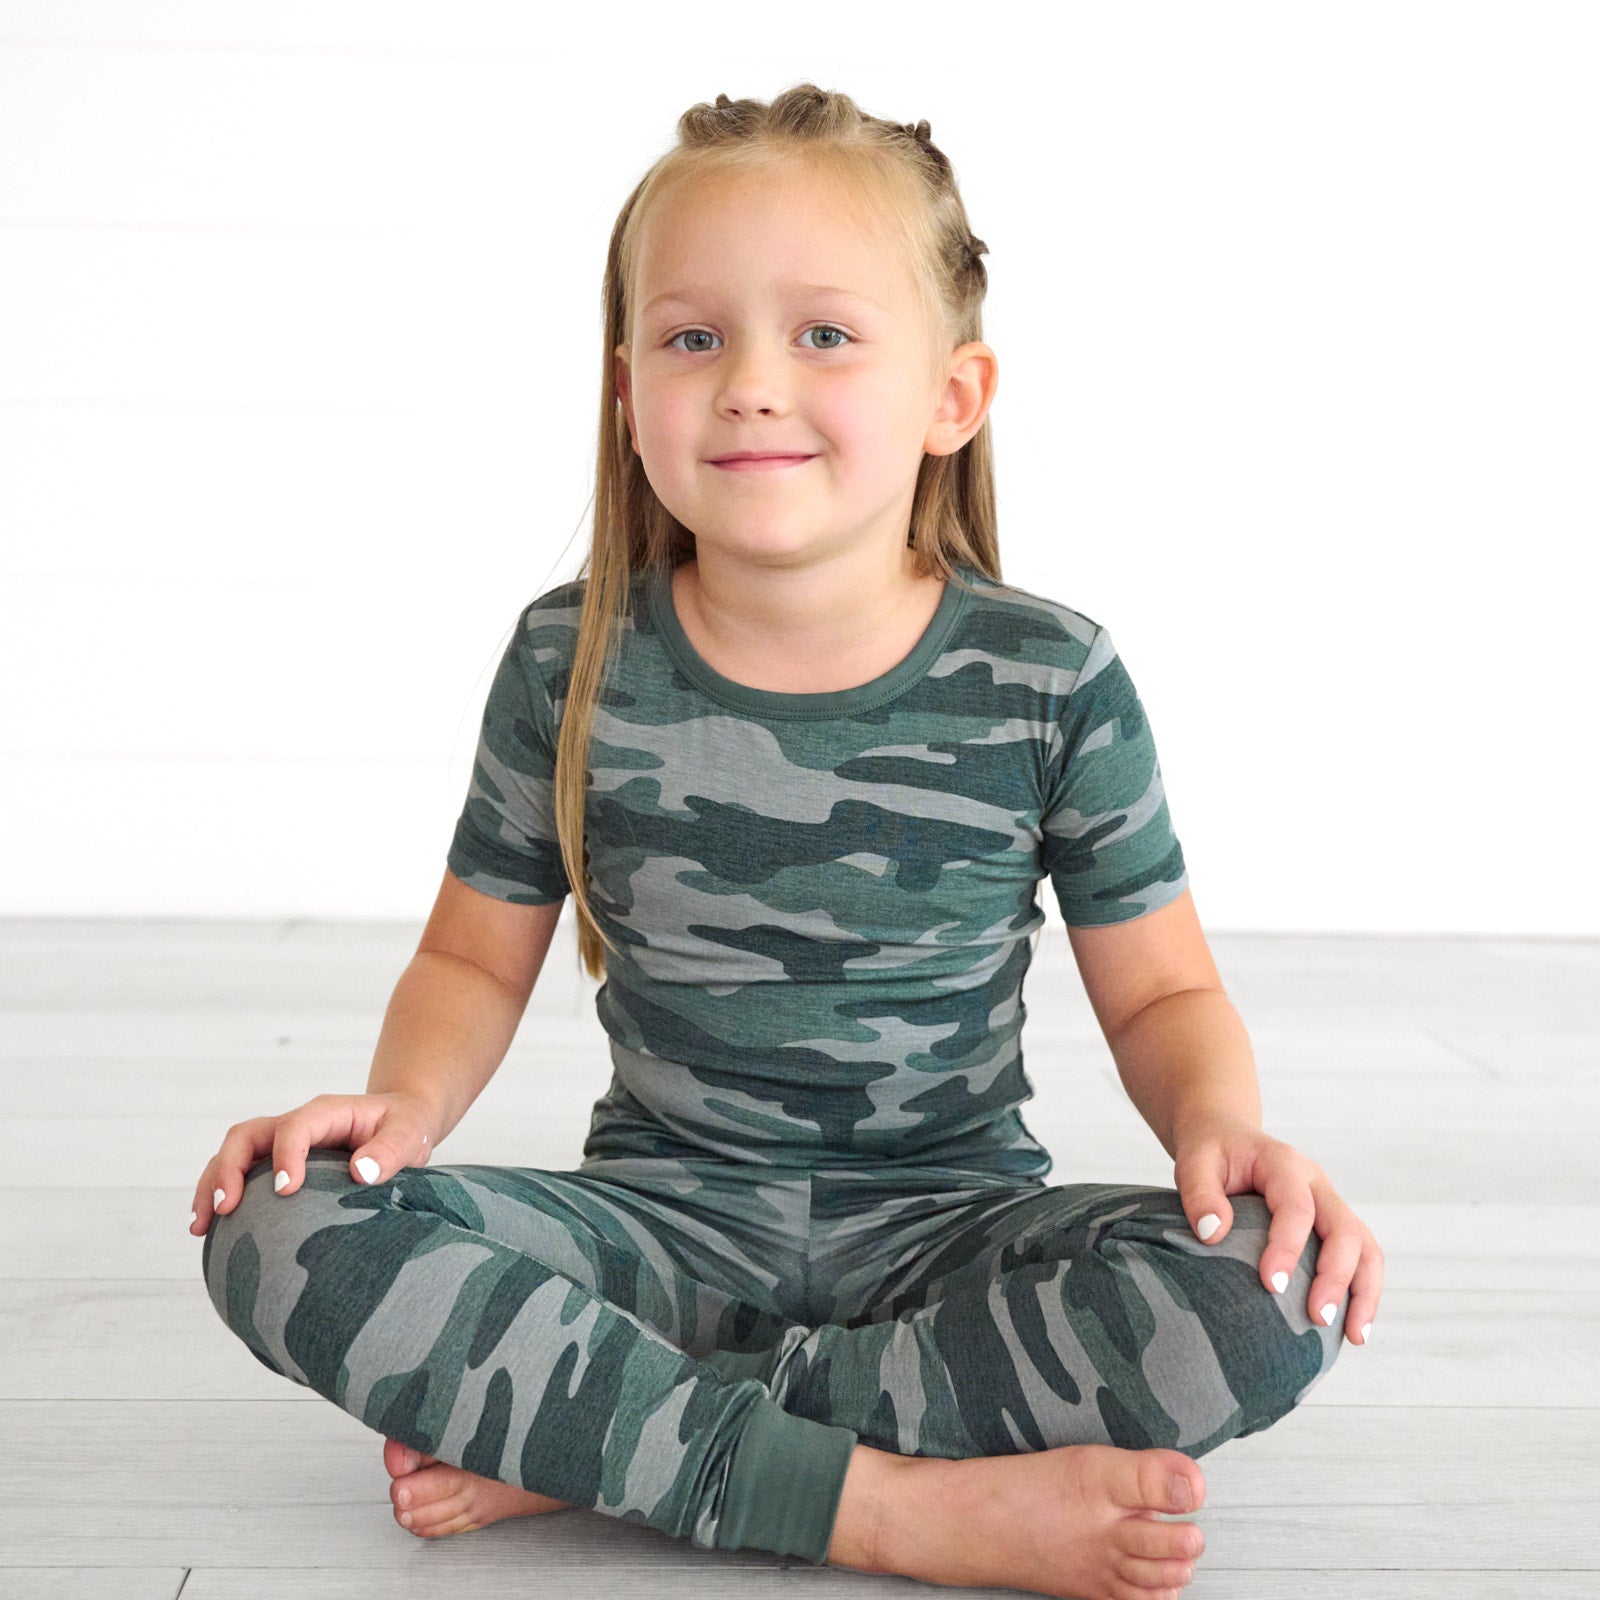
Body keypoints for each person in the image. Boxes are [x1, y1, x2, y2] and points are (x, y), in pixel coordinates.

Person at [191, 83, 1384, 1600]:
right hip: (653, 1231)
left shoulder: (1048, 678)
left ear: (955, 395)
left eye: (823, 334)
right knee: (274, 1222)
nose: (752, 383)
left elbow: (1159, 996)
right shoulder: (572, 661)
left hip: (949, 1235)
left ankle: (601, 1434)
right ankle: (889, 1504)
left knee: (1272, 1287)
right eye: (695, 339)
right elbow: (469, 959)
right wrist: (398, 1113)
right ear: (630, 392)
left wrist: (1220, 1136)